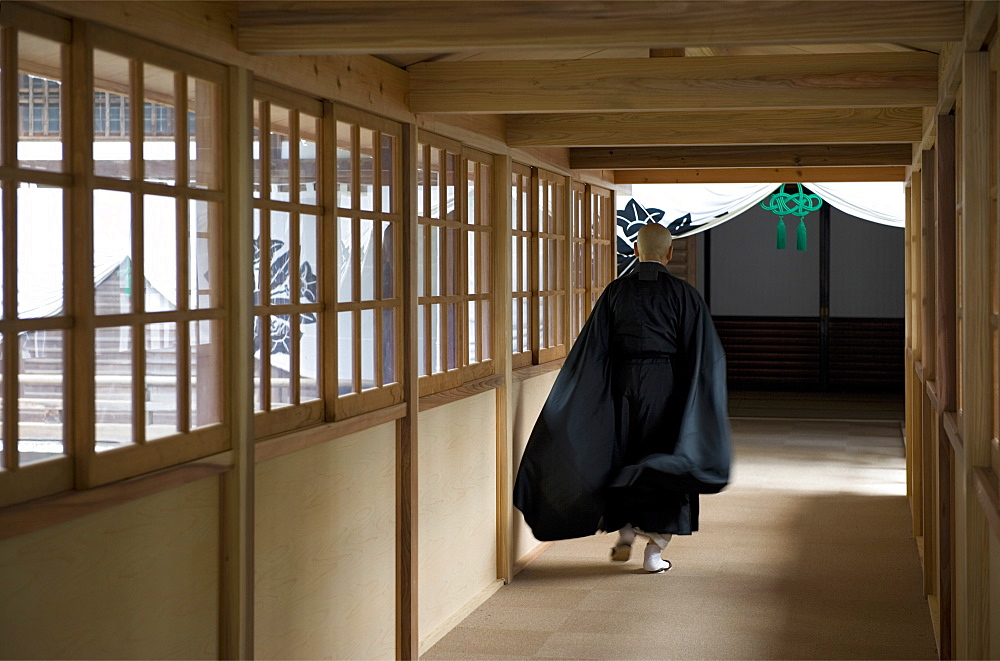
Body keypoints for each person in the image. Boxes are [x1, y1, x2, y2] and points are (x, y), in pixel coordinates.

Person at [513, 222, 731, 573]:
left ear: (634, 251)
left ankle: (626, 532)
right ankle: (654, 554)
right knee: (664, 460)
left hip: (622, 386)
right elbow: (703, 353)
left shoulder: (616, 292)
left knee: (624, 455)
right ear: (670, 253)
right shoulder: (683, 294)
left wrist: (583, 396)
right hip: (666, 387)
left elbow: (592, 349)